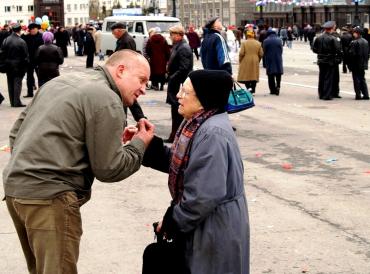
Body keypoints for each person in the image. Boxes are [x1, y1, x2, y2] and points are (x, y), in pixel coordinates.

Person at [3, 50, 154, 274]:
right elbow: (110, 169)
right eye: (141, 80)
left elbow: (17, 135)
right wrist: (140, 143)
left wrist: (103, 139)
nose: (144, 88)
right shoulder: (107, 98)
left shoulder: (61, 82)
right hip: (50, 196)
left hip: (17, 190)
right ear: (121, 70)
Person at [141, 70, 250, 274]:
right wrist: (148, 146)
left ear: (203, 100)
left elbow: (203, 195)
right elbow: (184, 164)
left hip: (214, 227)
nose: (178, 95)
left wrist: (173, 220)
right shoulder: (198, 123)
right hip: (207, 220)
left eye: (186, 91)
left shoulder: (212, 134)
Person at [111, 22, 146, 123]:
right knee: (128, 97)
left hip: (125, 73)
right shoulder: (123, 39)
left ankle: (127, 120)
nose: (114, 35)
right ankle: (140, 119)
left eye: (114, 33)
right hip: (124, 72)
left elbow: (127, 57)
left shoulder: (126, 41)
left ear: (120, 31)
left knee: (125, 97)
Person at [166, 25, 193, 143]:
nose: (170, 36)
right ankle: (174, 135)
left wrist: (172, 77)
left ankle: (176, 136)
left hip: (179, 84)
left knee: (178, 111)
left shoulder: (183, 48)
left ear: (178, 35)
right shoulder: (178, 46)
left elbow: (184, 68)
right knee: (175, 110)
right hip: (176, 83)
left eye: (172, 34)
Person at [0, 23, 29, 107]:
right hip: (18, 66)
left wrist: (3, 65)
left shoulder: (6, 40)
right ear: (19, 30)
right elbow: (25, 56)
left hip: (8, 65)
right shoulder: (21, 41)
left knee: (10, 83)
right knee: (17, 83)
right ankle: (16, 102)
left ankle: (12, 101)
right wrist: (25, 67)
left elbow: (2, 54)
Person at [312, 21, 342, 100]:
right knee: (328, 77)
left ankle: (321, 94)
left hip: (321, 60)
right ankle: (327, 94)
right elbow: (338, 50)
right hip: (330, 60)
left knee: (322, 77)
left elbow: (314, 49)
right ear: (332, 28)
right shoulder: (333, 38)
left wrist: (321, 53)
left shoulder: (318, 38)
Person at [21, 23, 43, 98]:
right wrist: (24, 34)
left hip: (38, 61)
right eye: (31, 29)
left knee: (40, 77)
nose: (33, 30)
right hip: (29, 61)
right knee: (29, 78)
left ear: (37, 29)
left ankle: (41, 93)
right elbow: (21, 40)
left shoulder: (41, 37)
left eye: (34, 29)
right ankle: (30, 93)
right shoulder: (27, 37)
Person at [348, 27, 369, 100]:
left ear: (357, 33)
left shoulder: (354, 42)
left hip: (356, 64)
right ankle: (366, 94)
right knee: (362, 79)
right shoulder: (366, 42)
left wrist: (350, 64)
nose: (353, 34)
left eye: (354, 32)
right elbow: (367, 54)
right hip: (363, 63)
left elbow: (352, 54)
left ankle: (358, 95)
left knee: (356, 79)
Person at [263, 28, 283, 95]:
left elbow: (264, 51)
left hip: (269, 59)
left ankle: (272, 90)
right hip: (278, 59)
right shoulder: (279, 40)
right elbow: (281, 50)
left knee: (270, 76)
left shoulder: (266, 41)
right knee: (278, 75)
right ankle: (278, 87)